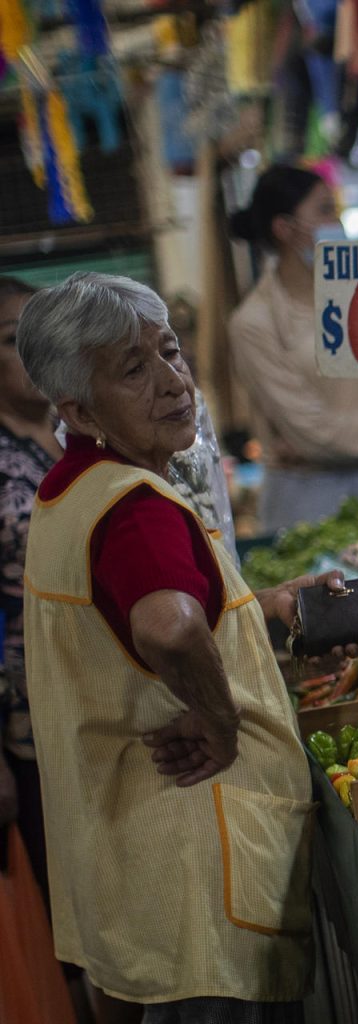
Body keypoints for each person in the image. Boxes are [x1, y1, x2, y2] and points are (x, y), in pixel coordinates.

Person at [16, 273, 345, 1021]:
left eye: (170, 353)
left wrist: (254, 608)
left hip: (132, 859)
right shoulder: (135, 509)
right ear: (76, 408)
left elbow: (124, 626)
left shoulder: (69, 491)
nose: (171, 383)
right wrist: (221, 720)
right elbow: (167, 627)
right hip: (197, 864)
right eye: (132, 370)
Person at [228, 163, 358, 533]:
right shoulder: (254, 323)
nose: (336, 221)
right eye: (324, 210)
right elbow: (313, 431)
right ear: (285, 229)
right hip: (307, 509)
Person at [0, 276, 59, 900]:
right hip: (34, 726)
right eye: (14, 339)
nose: (32, 351)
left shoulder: (84, 431)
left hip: (119, 708)